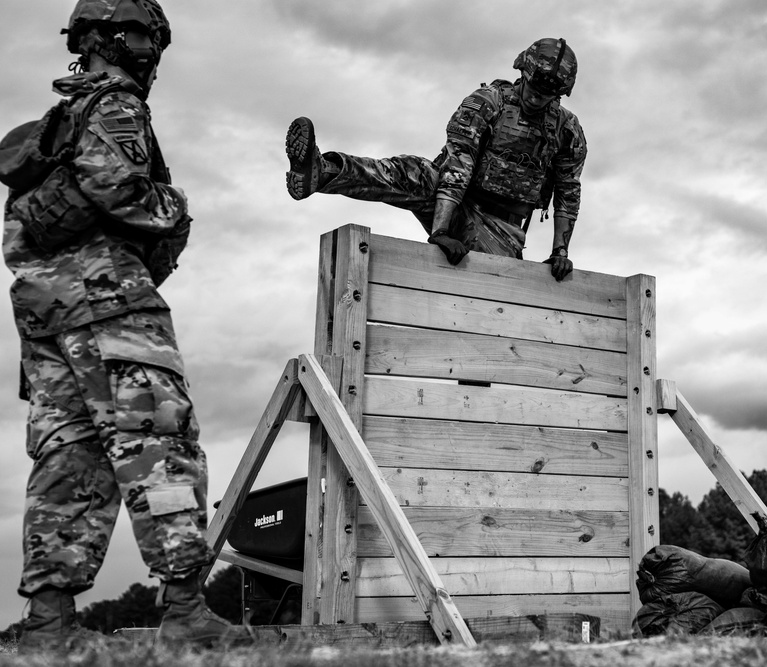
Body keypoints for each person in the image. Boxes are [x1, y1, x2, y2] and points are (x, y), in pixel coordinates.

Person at [0, 0, 250, 651]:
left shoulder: (55, 122)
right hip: (109, 301)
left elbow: (25, 229)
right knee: (159, 439)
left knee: (70, 456)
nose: (153, 49)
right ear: (106, 38)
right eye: (144, 34)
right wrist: (175, 204)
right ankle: (186, 608)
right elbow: (121, 193)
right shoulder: (115, 104)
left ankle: (49, 623)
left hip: (43, 313)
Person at [285, 37, 587, 281]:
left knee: (494, 285)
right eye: (534, 87)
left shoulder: (566, 130)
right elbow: (458, 164)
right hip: (452, 196)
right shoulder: (489, 103)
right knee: (412, 173)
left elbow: (567, 192)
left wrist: (560, 252)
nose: (537, 97)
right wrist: (440, 231)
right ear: (524, 72)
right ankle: (323, 171)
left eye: (548, 94)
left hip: (499, 226)